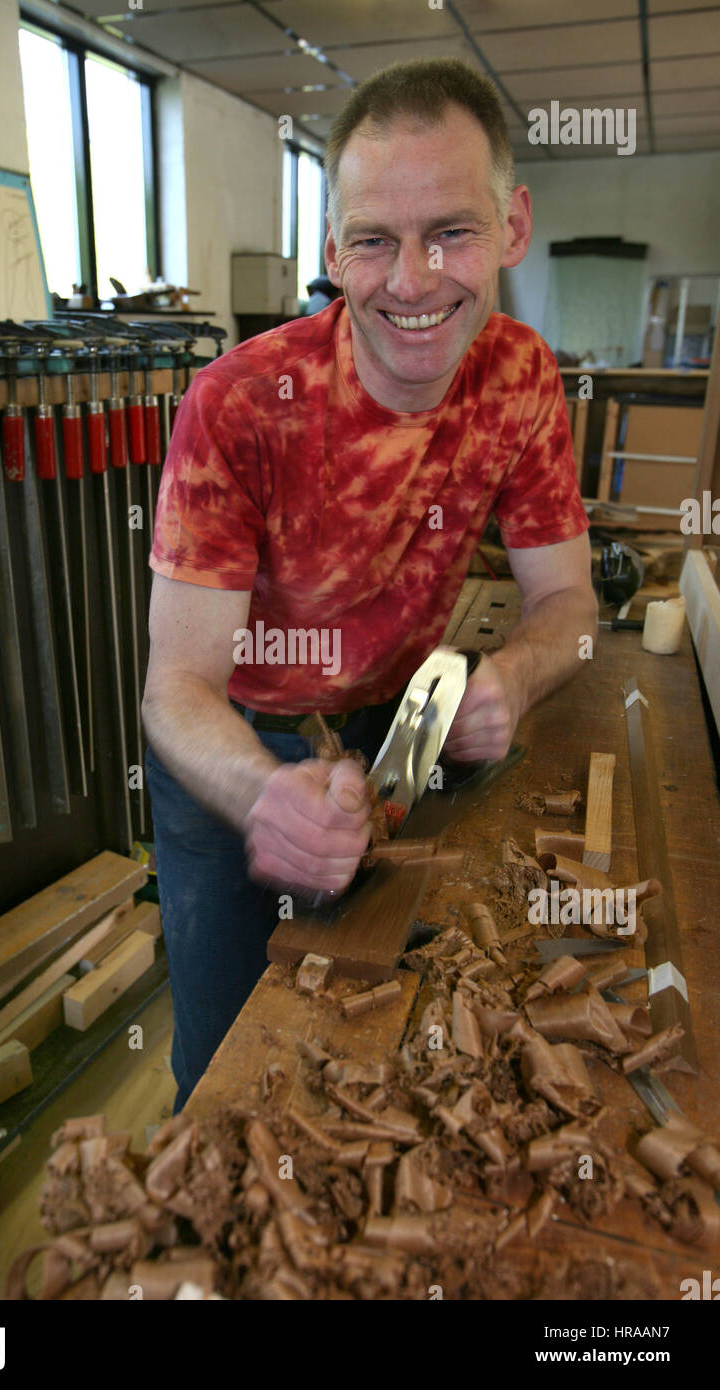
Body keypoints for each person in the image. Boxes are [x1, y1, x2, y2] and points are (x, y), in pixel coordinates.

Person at [142, 58, 597, 1110]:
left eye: (450, 231)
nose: (410, 280)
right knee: (225, 1068)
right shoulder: (239, 404)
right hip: (236, 740)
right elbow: (173, 689)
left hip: (404, 713)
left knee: (384, 1013)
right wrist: (262, 789)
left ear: (511, 228)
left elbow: (570, 608)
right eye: (373, 240)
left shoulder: (521, 378)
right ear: (331, 247)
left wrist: (516, 678)